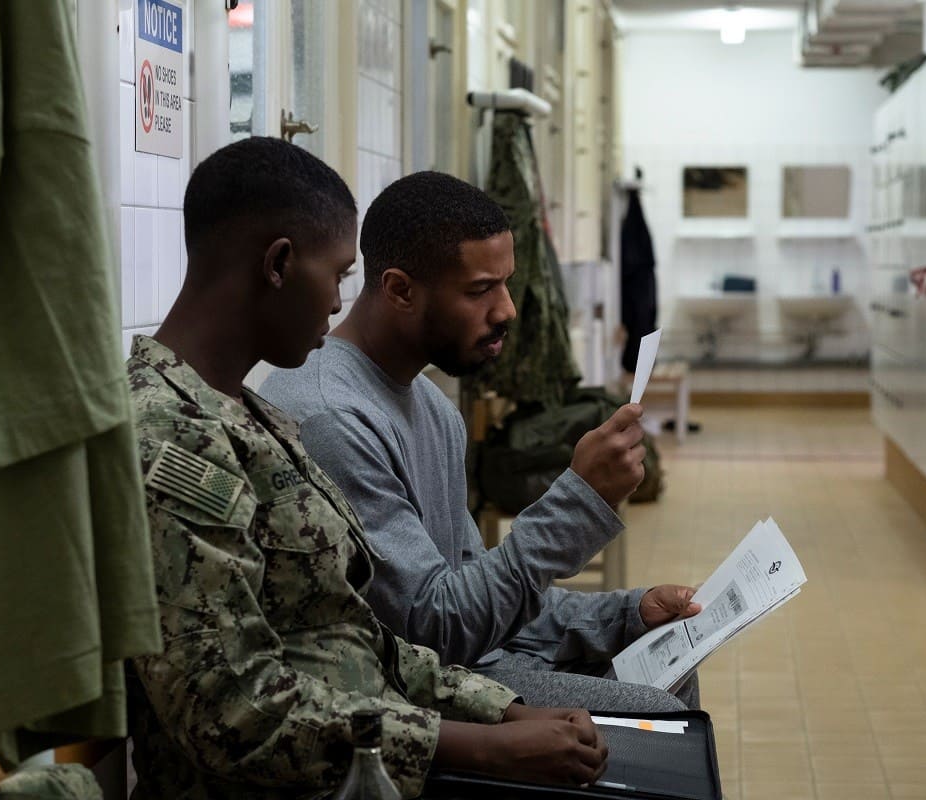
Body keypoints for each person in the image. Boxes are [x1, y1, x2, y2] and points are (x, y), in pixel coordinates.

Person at [125, 138, 609, 799]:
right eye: (337, 274)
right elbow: (233, 714)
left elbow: (357, 636)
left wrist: (499, 711)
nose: (337, 303)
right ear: (278, 264)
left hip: (376, 755)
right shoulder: (172, 437)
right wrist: (483, 747)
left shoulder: (251, 416)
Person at [260, 171, 702, 712]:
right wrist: (580, 500)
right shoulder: (335, 420)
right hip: (408, 698)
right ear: (400, 290)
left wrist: (623, 615)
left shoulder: (433, 408)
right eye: (479, 291)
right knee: (664, 713)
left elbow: (477, 593)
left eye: (506, 284)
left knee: (670, 662)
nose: (507, 310)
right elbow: (436, 631)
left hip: (473, 662)